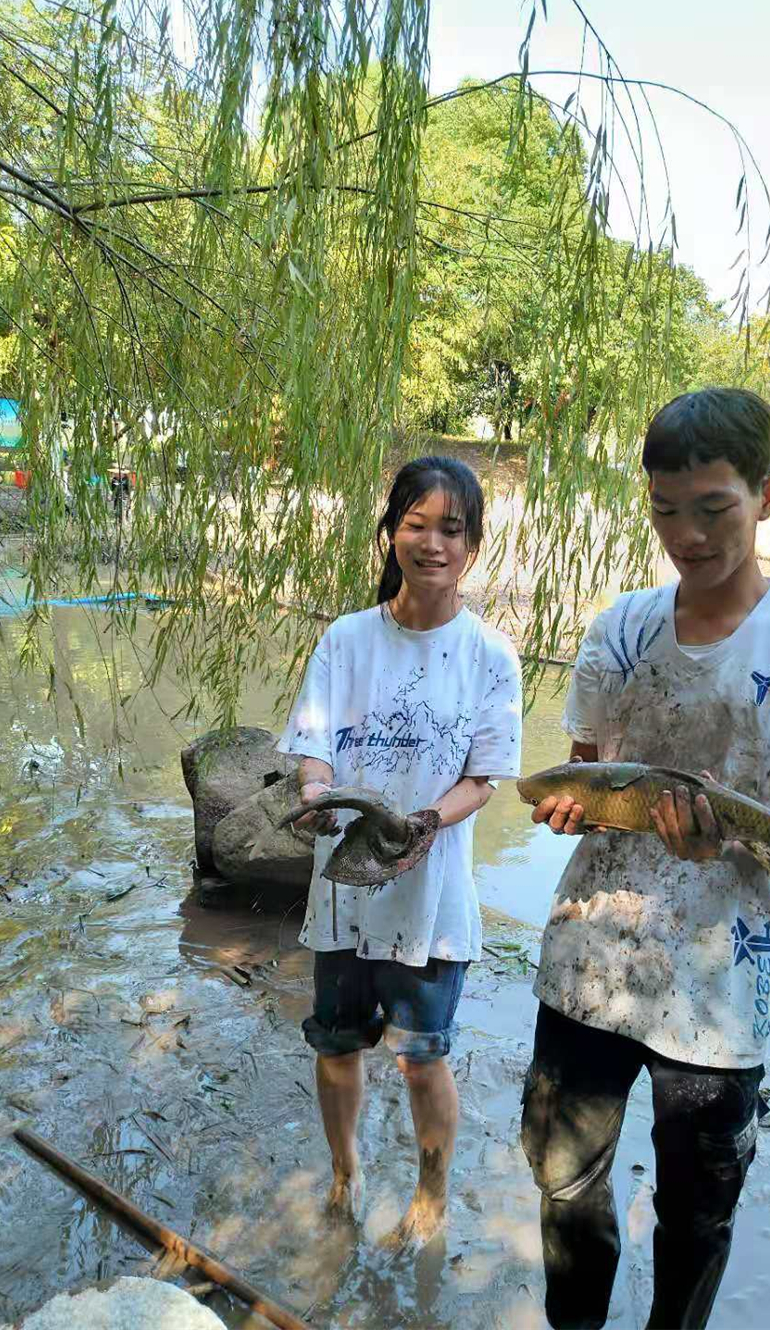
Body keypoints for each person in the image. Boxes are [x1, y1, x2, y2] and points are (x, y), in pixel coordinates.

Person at [520, 388, 770, 1330]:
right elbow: (593, 785)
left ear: (769, 495)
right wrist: (568, 811)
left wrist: (720, 836)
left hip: (720, 990)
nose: (689, 534)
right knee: (564, 1180)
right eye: (666, 509)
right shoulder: (618, 630)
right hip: (590, 960)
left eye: (714, 508)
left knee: (697, 1215)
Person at [277, 456, 522, 1250]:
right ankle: (346, 1175)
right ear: (390, 534)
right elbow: (314, 749)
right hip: (344, 889)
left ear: (474, 545)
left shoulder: (492, 655)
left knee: (423, 1058)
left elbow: (484, 777)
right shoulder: (346, 640)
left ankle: (430, 1190)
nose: (432, 542)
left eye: (451, 528)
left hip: (431, 895)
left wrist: (425, 820)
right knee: (338, 1045)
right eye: (415, 523)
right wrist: (316, 795)